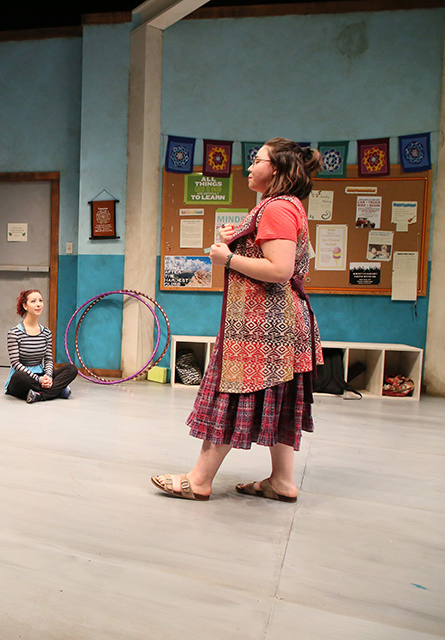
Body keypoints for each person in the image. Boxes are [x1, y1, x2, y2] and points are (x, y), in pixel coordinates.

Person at [152, 137, 323, 502]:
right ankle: (282, 481)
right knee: (279, 399)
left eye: (256, 160)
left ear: (275, 168)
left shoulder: (276, 208)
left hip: (263, 327)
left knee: (231, 394)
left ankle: (198, 480)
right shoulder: (283, 206)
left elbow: (279, 268)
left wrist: (224, 258)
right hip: (276, 325)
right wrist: (233, 243)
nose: (249, 166)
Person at [5, 289, 77, 403]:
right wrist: (39, 379)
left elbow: (48, 359)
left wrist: (47, 376)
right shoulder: (14, 333)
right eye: (33, 301)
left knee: (71, 369)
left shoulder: (46, 332)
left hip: (41, 374)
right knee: (20, 377)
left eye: (40, 301)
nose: (38, 304)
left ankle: (40, 395)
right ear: (25, 306)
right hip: (23, 379)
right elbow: (15, 363)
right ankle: (57, 391)